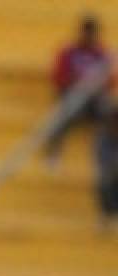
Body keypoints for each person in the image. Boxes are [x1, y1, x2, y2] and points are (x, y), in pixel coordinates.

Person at [46, 14, 113, 165]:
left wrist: (97, 85)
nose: (89, 37)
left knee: (109, 111)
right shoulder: (68, 52)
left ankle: (108, 157)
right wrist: (74, 82)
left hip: (94, 98)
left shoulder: (103, 54)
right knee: (62, 114)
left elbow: (110, 82)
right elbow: (58, 77)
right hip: (72, 94)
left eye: (92, 34)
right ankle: (53, 152)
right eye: (86, 33)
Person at [96, 103, 118, 231]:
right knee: (105, 179)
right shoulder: (103, 138)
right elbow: (103, 161)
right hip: (112, 176)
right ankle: (108, 215)